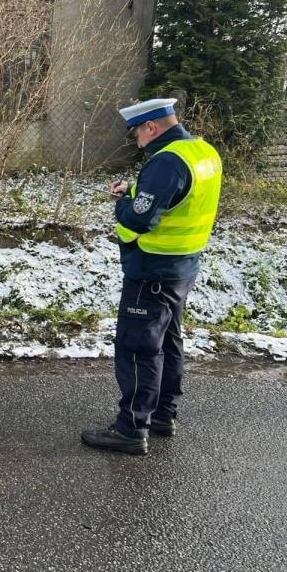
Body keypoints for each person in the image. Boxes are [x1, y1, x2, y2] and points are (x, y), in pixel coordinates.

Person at [81, 98, 222, 456]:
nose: (136, 139)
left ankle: (131, 428)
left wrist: (122, 204)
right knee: (168, 341)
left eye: (137, 132)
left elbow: (138, 219)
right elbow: (176, 199)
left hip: (151, 271)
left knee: (137, 347)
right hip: (182, 266)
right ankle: (162, 415)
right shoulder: (202, 152)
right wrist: (135, 192)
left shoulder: (166, 162)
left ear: (152, 127)